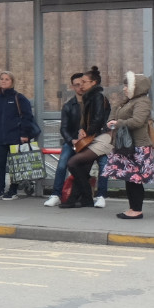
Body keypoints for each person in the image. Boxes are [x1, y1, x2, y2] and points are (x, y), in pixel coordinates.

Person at [102, 71, 152, 219]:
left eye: (127, 85)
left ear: (137, 87)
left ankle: (136, 210)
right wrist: (114, 117)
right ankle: (133, 208)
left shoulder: (143, 102)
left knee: (135, 179)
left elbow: (137, 121)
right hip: (127, 146)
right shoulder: (129, 101)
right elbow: (114, 116)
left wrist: (118, 123)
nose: (124, 88)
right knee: (130, 179)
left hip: (138, 147)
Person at [60, 66, 112, 209]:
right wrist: (83, 130)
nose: (81, 84)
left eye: (84, 81)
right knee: (81, 167)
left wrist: (86, 132)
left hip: (100, 139)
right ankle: (81, 198)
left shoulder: (98, 97)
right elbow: (88, 120)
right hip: (93, 138)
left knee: (73, 163)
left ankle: (86, 197)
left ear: (93, 83)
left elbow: (98, 119)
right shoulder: (91, 97)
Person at [0, 71, 40, 200]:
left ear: (12, 82)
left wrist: (24, 134)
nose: (3, 81)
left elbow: (27, 117)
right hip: (0, 138)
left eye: (7, 79)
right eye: (2, 79)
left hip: (15, 137)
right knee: (0, 165)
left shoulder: (19, 98)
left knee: (15, 165)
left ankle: (13, 190)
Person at [43, 72, 85, 207]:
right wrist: (71, 140)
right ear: (72, 87)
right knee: (62, 165)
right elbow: (64, 128)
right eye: (77, 85)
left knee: (101, 164)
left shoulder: (93, 103)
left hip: (90, 143)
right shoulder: (68, 105)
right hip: (72, 142)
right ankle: (56, 194)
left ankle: (100, 195)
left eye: (82, 84)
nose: (80, 87)